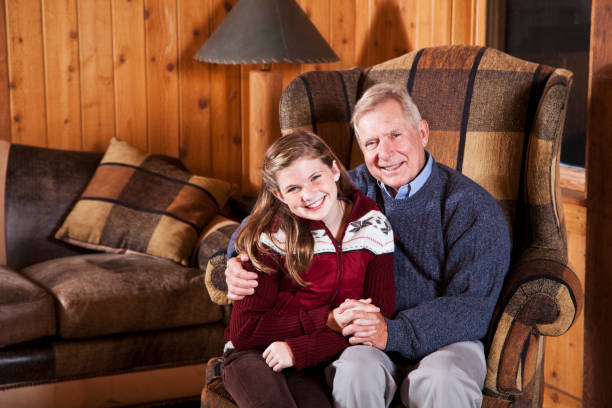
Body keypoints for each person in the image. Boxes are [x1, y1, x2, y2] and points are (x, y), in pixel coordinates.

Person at [225, 83, 511, 408]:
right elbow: (267, 220)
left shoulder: (471, 206)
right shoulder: (345, 186)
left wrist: (394, 332)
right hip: (361, 339)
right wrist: (235, 259)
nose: (385, 153)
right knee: (354, 372)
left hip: (444, 341)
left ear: (422, 132)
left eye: (395, 135)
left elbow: (472, 307)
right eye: (371, 142)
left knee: (442, 379)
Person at [222, 130, 396, 408]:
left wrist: (300, 350)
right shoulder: (271, 236)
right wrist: (326, 320)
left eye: (316, 177)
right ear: (278, 194)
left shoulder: (373, 226)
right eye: (293, 188)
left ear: (335, 170)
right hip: (251, 354)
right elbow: (245, 332)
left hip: (309, 359)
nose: (309, 194)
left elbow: (375, 321)